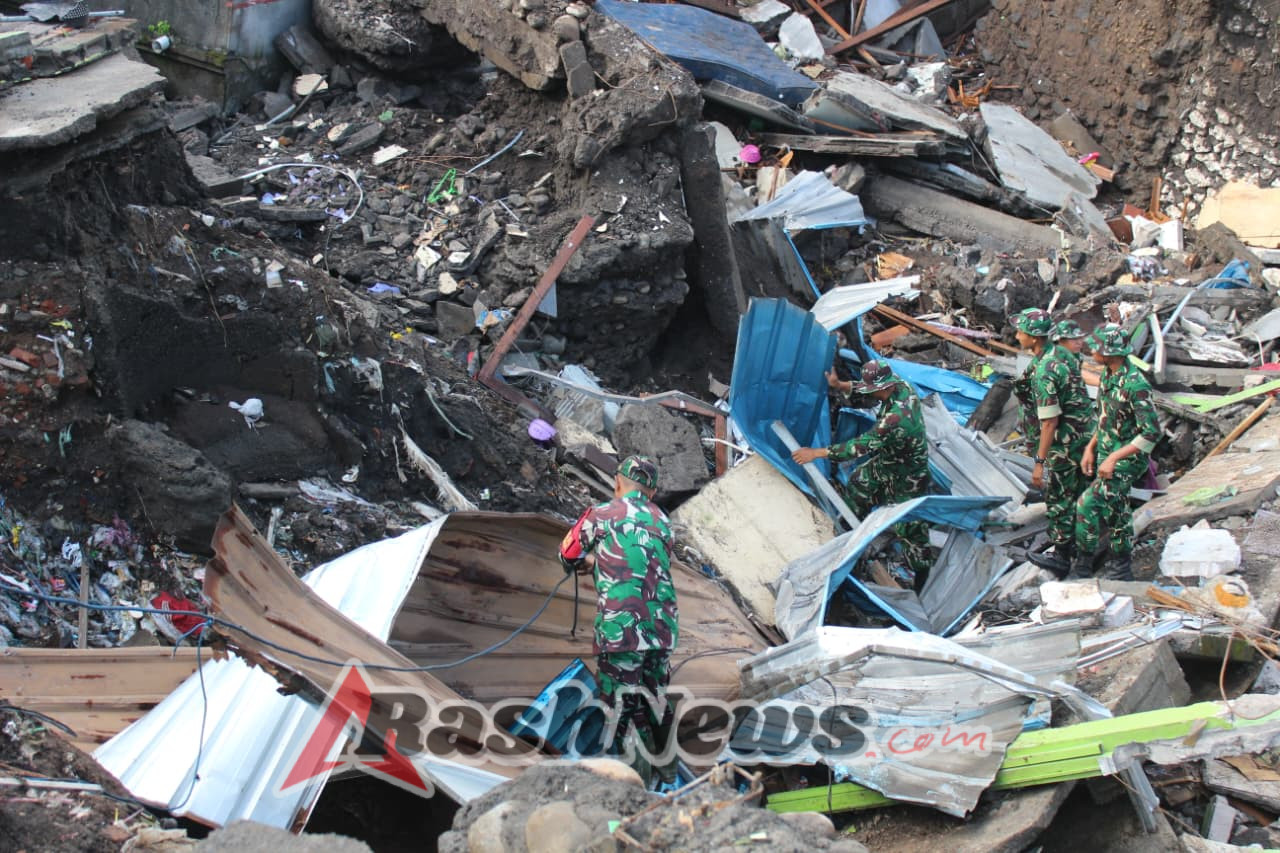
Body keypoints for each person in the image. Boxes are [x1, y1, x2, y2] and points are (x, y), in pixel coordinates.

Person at [558, 455, 678, 778]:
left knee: (621, 710)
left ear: (617, 484)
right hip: (663, 630)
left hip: (622, 632)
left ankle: (630, 786)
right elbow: (644, 562)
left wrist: (586, 563)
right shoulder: (664, 523)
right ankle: (668, 772)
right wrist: (601, 562)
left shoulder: (602, 514)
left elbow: (567, 553)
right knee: (655, 699)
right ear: (651, 493)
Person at [791, 360, 932, 587]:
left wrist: (816, 453)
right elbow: (865, 387)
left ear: (883, 388)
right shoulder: (902, 386)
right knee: (859, 483)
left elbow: (858, 447)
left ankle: (922, 576)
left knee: (908, 525)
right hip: (889, 460)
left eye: (873, 391)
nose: (871, 394)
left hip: (908, 474)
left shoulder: (896, 418)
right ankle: (849, 534)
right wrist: (840, 385)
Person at [1070, 324, 1161, 581]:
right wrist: (1091, 448)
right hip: (1107, 453)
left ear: (1110, 352)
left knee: (1086, 504)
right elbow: (1106, 419)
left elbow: (1151, 432)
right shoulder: (1109, 376)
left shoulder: (1135, 385)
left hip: (1127, 460)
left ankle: (1084, 567)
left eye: (1096, 347)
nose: (1091, 350)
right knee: (1116, 509)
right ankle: (1119, 567)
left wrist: (1113, 458)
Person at [1009, 308, 1096, 577]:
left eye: (1020, 331)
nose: (1016, 335)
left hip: (1065, 445)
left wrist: (1039, 462)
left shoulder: (1045, 369)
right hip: (1081, 438)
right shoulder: (1061, 354)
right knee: (1080, 498)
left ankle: (1065, 557)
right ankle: (1079, 555)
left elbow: (1049, 422)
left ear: (1034, 337)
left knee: (1060, 500)